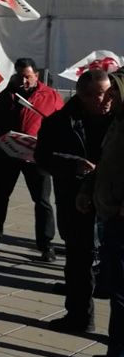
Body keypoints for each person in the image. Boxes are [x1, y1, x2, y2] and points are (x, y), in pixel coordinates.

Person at [36, 69, 114, 334]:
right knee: (78, 259)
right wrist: (73, 166)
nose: (100, 101)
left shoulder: (118, 120)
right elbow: (43, 157)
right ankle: (79, 316)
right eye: (92, 95)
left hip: (112, 200)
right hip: (74, 198)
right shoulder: (60, 122)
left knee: (110, 261)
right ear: (80, 95)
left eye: (104, 93)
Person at [0, 58, 64, 260]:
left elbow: (61, 125)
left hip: (36, 156)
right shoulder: (5, 94)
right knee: (0, 196)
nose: (23, 81)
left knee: (42, 200)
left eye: (27, 76)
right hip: (8, 153)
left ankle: (45, 244)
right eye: (19, 76)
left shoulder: (50, 96)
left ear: (36, 74)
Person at [76, 73, 124, 357]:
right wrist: (89, 190)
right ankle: (114, 355)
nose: (108, 99)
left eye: (114, 93)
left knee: (123, 296)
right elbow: (107, 162)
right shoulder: (118, 122)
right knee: (117, 291)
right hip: (111, 215)